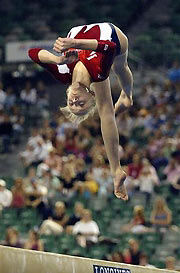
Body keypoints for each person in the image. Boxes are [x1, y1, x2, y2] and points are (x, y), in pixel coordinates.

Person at [29, 22, 134, 200]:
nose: (75, 102)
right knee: (119, 68)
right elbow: (110, 47)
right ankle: (127, 95)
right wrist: (77, 44)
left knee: (107, 108)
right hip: (111, 33)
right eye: (81, 105)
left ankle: (125, 99)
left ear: (68, 94)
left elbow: (32, 52)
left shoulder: (63, 72)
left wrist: (56, 59)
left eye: (72, 104)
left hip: (79, 37)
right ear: (90, 95)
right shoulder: (99, 72)